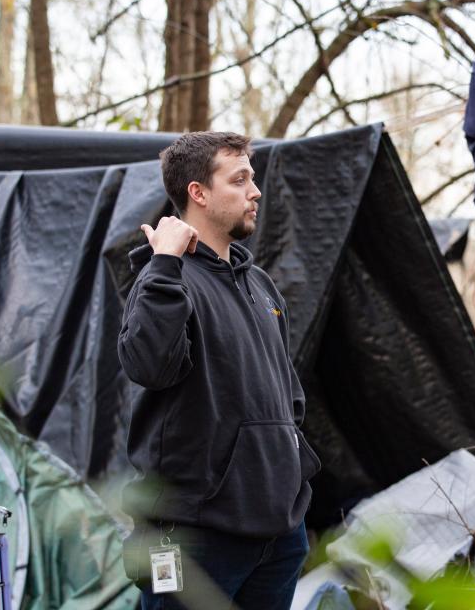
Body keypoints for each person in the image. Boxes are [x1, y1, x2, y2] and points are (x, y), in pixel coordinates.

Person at [117, 131, 320, 609]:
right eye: (241, 179)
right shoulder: (165, 278)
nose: (256, 191)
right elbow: (148, 364)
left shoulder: (261, 285)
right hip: (198, 540)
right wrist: (165, 261)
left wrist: (292, 480)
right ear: (198, 193)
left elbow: (287, 398)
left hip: (278, 534)